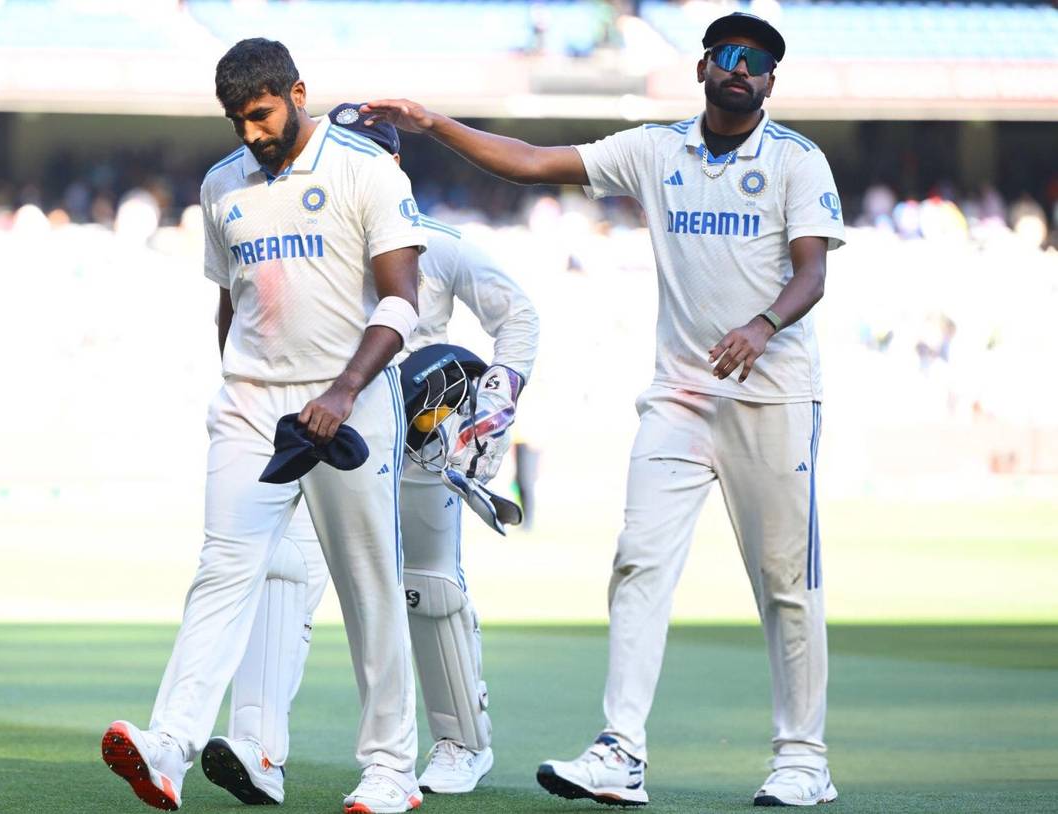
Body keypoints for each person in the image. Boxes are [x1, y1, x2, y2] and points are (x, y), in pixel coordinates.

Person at [364, 12, 846, 808]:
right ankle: (621, 751)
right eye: (728, 55)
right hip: (681, 397)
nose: (742, 69)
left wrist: (762, 327)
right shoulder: (656, 149)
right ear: (702, 70)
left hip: (776, 394)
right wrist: (428, 122)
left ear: (769, 83)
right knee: (638, 566)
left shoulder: (798, 160)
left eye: (758, 63)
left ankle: (803, 759)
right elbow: (526, 162)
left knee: (785, 581)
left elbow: (812, 274)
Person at [100, 40, 428, 814]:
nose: (250, 133)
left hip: (352, 402)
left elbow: (403, 299)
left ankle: (390, 770)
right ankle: (169, 747)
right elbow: (231, 299)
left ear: (297, 93)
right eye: (235, 120)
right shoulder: (222, 186)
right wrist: (241, 384)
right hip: (254, 408)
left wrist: (345, 389)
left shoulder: (365, 169)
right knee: (224, 568)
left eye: (261, 114)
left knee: (367, 586)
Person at [199, 103, 540, 806]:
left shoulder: (433, 241)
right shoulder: (297, 224)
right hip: (323, 429)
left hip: (418, 436)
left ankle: (458, 743)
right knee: (285, 565)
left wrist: (492, 412)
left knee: (428, 588)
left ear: (391, 163)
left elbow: (519, 316)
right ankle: (258, 745)